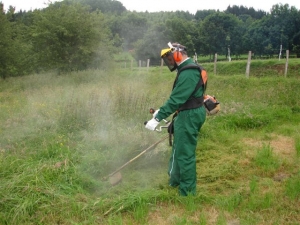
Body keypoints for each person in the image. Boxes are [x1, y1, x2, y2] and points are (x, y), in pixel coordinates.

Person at [145, 42, 206, 196]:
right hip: (186, 112)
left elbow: (176, 99)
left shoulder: (189, 72)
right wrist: (162, 111)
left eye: (170, 58)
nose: (169, 62)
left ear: (178, 53)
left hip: (189, 115)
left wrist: (158, 117)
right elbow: (183, 97)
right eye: (167, 60)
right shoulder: (188, 68)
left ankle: (187, 192)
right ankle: (175, 181)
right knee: (179, 149)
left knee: (185, 153)